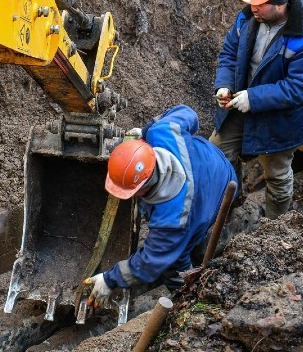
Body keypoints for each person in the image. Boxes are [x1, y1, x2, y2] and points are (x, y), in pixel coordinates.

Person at [82, 105, 237, 307]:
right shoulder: (162, 131)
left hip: (221, 192)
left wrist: (109, 280)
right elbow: (189, 114)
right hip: (215, 162)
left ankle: (188, 299)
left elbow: (150, 261)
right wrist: (146, 131)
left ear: (143, 187)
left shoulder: (172, 220)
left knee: (175, 262)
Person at [212, 0, 303, 219]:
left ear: (281, 0)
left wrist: (254, 98)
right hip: (241, 104)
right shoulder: (247, 19)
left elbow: (300, 88)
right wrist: (224, 85)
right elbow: (230, 54)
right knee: (216, 154)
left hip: (280, 120)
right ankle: (231, 201)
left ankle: (275, 226)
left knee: (276, 175)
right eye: (251, 1)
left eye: (260, 3)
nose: (253, 7)